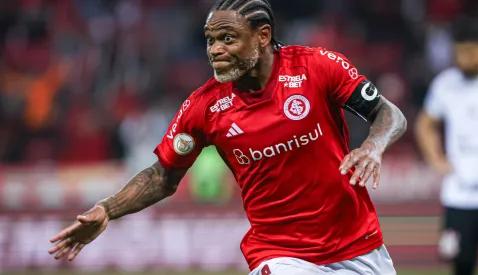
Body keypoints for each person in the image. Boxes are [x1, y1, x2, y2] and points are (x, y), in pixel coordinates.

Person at [49, 1, 406, 274]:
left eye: (227, 38)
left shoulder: (317, 67)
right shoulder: (204, 107)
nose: (214, 50)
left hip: (359, 245)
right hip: (281, 254)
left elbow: (390, 114)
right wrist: (107, 209)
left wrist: (373, 145)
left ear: (263, 36)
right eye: (210, 40)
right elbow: (162, 176)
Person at [415, 17, 478, 275]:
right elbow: (425, 124)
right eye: (459, 52)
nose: (464, 58)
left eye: (469, 51)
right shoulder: (445, 84)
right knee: (462, 265)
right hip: (459, 194)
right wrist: (436, 159)